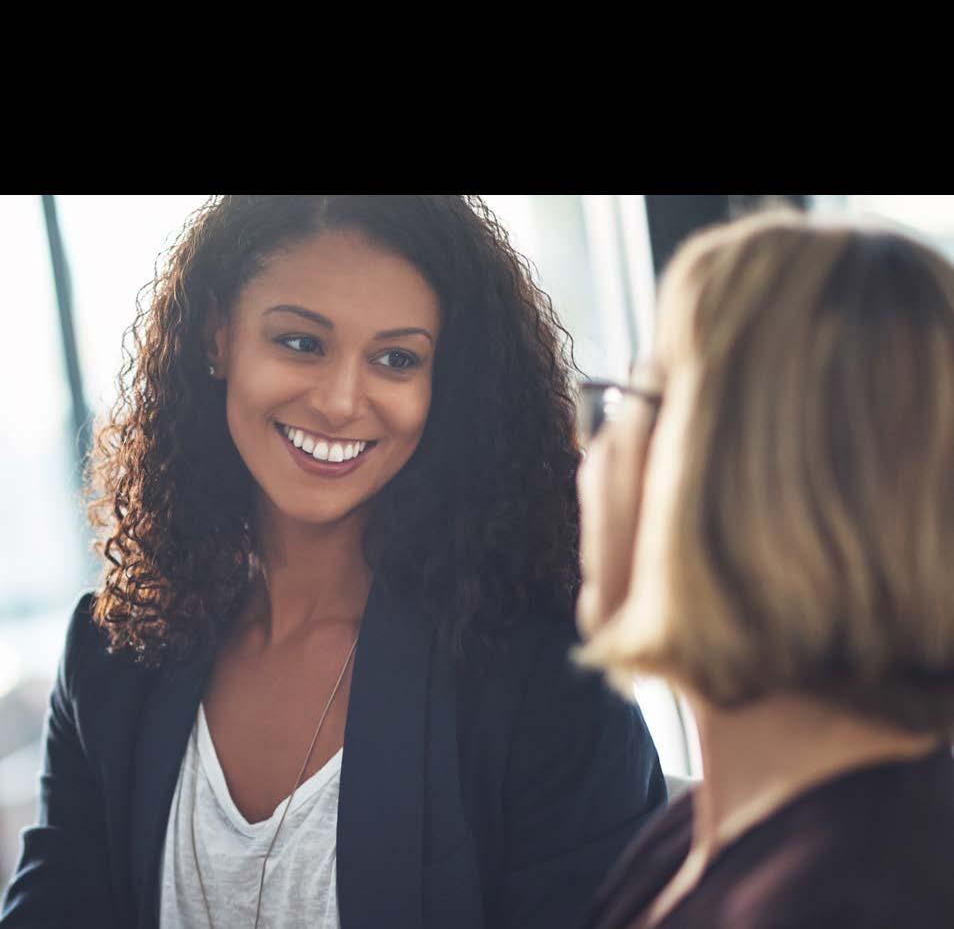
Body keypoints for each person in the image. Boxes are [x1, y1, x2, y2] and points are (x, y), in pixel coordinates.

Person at [1, 195, 664, 929]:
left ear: (443, 384)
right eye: (301, 343)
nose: (342, 400)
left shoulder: (544, 680)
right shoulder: (109, 654)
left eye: (396, 358)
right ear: (217, 334)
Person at [577, 212, 954, 929]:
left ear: (725, 475)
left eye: (633, 400)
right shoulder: (690, 837)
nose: (590, 450)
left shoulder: (861, 900)